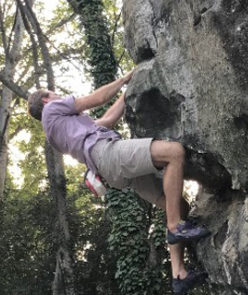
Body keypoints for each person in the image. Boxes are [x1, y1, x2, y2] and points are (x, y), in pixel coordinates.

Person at [27, 70, 210, 294]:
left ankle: (179, 274)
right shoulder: (52, 108)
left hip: (111, 172)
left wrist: (126, 93)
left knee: (178, 206)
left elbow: (106, 121)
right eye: (53, 94)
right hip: (107, 154)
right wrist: (124, 78)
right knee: (174, 152)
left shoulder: (60, 130)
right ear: (46, 99)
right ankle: (175, 227)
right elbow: (97, 99)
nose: (57, 95)